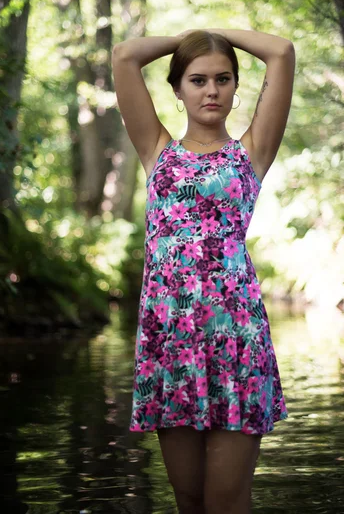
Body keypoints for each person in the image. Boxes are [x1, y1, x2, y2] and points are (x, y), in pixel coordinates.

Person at [112, 28, 295, 514]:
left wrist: (216, 29)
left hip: (236, 340)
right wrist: (191, 34)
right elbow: (125, 55)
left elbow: (280, 51)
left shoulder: (250, 153)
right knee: (189, 501)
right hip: (169, 341)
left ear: (236, 88)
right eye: (197, 80)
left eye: (223, 79)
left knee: (226, 501)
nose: (211, 90)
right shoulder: (157, 151)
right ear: (177, 89)